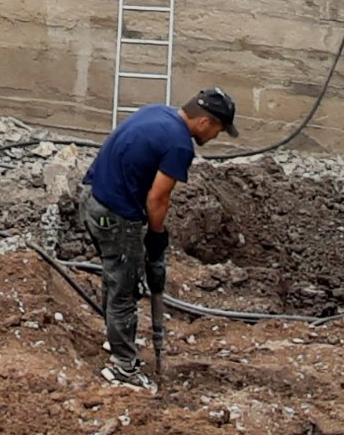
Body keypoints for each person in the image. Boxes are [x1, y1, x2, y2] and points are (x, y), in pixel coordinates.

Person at [81, 88, 236, 389]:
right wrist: (156, 236)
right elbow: (158, 199)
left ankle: (116, 341)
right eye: (219, 129)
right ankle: (123, 367)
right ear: (206, 122)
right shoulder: (180, 145)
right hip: (115, 216)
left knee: (115, 277)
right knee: (125, 289)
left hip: (92, 200)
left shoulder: (157, 112)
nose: (217, 136)